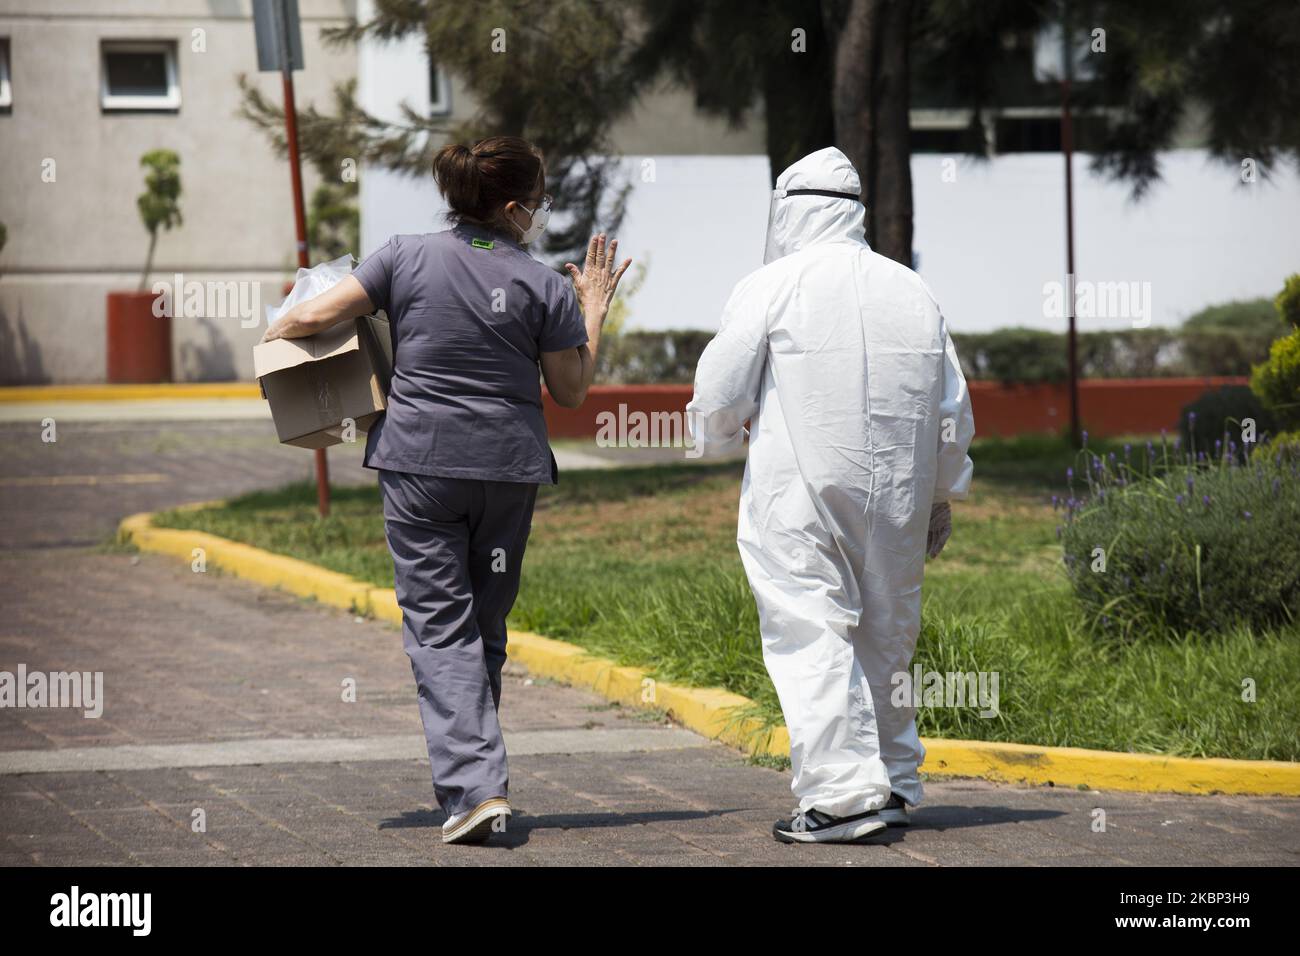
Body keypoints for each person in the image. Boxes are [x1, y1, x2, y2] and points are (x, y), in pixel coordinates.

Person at [261, 136, 631, 845]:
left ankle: (475, 787)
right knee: (481, 628)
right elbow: (573, 390)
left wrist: (281, 334)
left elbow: (312, 317)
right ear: (516, 208)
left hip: (421, 467)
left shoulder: (403, 255)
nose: (541, 215)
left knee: (440, 626)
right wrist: (593, 305)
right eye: (540, 203)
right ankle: (476, 783)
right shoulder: (544, 285)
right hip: (507, 471)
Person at [687, 146, 974, 844]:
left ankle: (842, 796)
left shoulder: (772, 283)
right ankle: (895, 781)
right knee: (886, 635)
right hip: (900, 497)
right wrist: (941, 493)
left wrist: (720, 438)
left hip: (801, 495)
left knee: (809, 629)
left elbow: (720, 394)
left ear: (788, 210)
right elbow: (952, 408)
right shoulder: (912, 288)